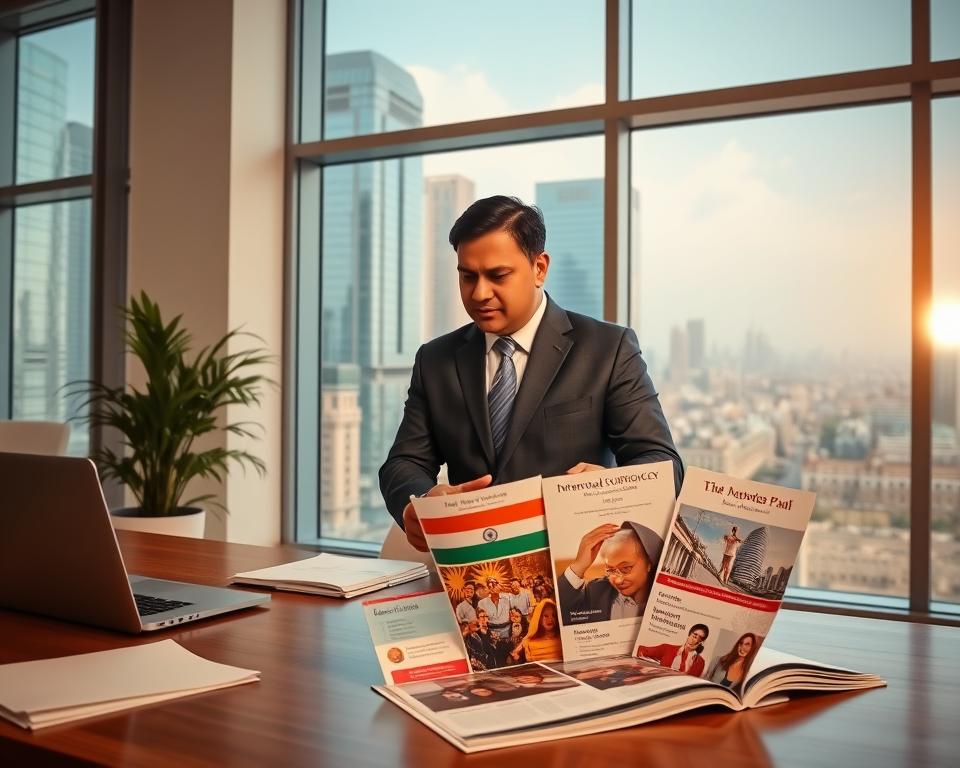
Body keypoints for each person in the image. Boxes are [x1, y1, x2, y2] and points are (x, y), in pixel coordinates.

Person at [379, 195, 683, 550]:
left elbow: (664, 462)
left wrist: (612, 486)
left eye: (497, 276)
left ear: (539, 268)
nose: (479, 293)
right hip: (474, 571)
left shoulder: (607, 349)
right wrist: (418, 500)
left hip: (571, 568)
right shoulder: (436, 360)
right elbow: (403, 463)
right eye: (467, 276)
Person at [558, 521, 662, 625]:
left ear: (649, 562)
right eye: (611, 570)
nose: (618, 580)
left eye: (626, 568)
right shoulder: (595, 593)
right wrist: (579, 566)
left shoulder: (664, 598)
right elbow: (564, 616)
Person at [637, 624, 710, 677]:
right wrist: (653, 669)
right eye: (694, 635)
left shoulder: (700, 662)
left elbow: (690, 683)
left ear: (701, 642)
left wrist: (688, 663)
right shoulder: (667, 648)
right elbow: (641, 651)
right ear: (689, 634)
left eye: (700, 638)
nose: (695, 640)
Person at [476, 577, 511, 641]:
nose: (492, 587)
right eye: (489, 585)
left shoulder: (508, 598)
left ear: (498, 585)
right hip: (491, 631)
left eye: (494, 584)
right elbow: (481, 619)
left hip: (507, 631)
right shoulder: (482, 603)